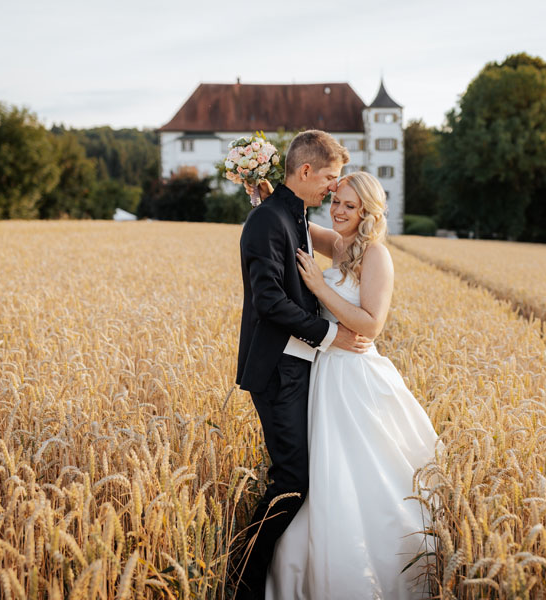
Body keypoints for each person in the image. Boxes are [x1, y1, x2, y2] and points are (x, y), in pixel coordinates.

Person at [267, 171, 439, 598]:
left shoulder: (375, 255)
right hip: (325, 373)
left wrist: (317, 287)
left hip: (355, 376)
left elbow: (371, 325)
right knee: (325, 474)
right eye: (336, 201)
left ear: (367, 212)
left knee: (361, 471)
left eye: (349, 205)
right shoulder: (338, 242)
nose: (339, 211)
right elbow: (297, 224)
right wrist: (268, 192)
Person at [234, 130, 372, 600]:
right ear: (307, 171)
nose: (333, 188)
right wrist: (333, 334)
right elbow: (270, 301)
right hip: (277, 369)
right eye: (330, 178)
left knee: (300, 475)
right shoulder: (267, 221)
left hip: (301, 368)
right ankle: (243, 578)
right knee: (292, 478)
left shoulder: (292, 214)